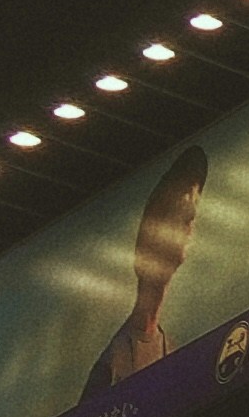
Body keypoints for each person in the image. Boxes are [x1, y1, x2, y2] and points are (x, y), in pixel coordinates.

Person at [86, 146, 211, 398]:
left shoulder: (171, 351)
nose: (190, 223)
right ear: (151, 228)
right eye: (182, 209)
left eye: (193, 211)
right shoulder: (113, 364)